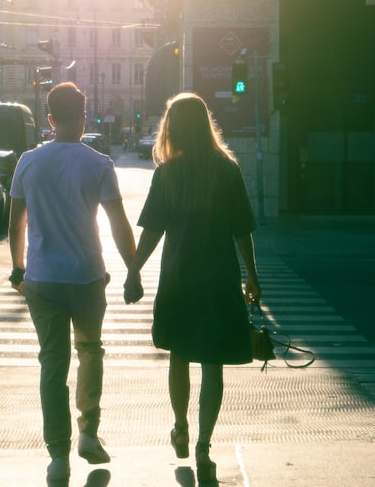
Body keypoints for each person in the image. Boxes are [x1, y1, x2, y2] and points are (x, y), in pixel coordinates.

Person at [123, 92, 261, 483]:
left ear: (173, 128)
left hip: (179, 280)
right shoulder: (227, 170)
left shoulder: (168, 174)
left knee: (179, 356)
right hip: (218, 279)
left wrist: (134, 272)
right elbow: (242, 230)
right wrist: (252, 276)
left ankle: (180, 425)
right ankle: (204, 443)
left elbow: (152, 230)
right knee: (212, 365)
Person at [8, 82, 136, 483]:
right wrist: (132, 270)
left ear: (49, 119)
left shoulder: (28, 162)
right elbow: (118, 225)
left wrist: (18, 268)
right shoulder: (98, 164)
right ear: (83, 117)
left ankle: (57, 454)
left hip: (42, 278)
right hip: (85, 277)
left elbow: (16, 224)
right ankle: (88, 433)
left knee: (52, 363)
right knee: (91, 351)